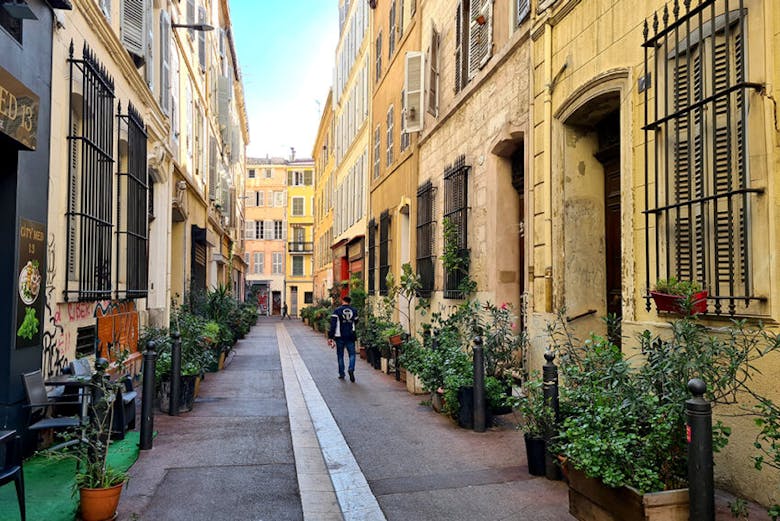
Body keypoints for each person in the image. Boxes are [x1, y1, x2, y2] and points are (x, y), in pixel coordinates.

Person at [328, 296, 358, 382]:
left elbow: (333, 325)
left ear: (342, 301)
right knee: (352, 354)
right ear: (349, 302)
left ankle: (342, 373)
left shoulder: (337, 311)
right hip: (350, 335)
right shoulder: (354, 311)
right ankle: (351, 368)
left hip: (339, 336)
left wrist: (330, 337)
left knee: (340, 355)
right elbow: (356, 321)